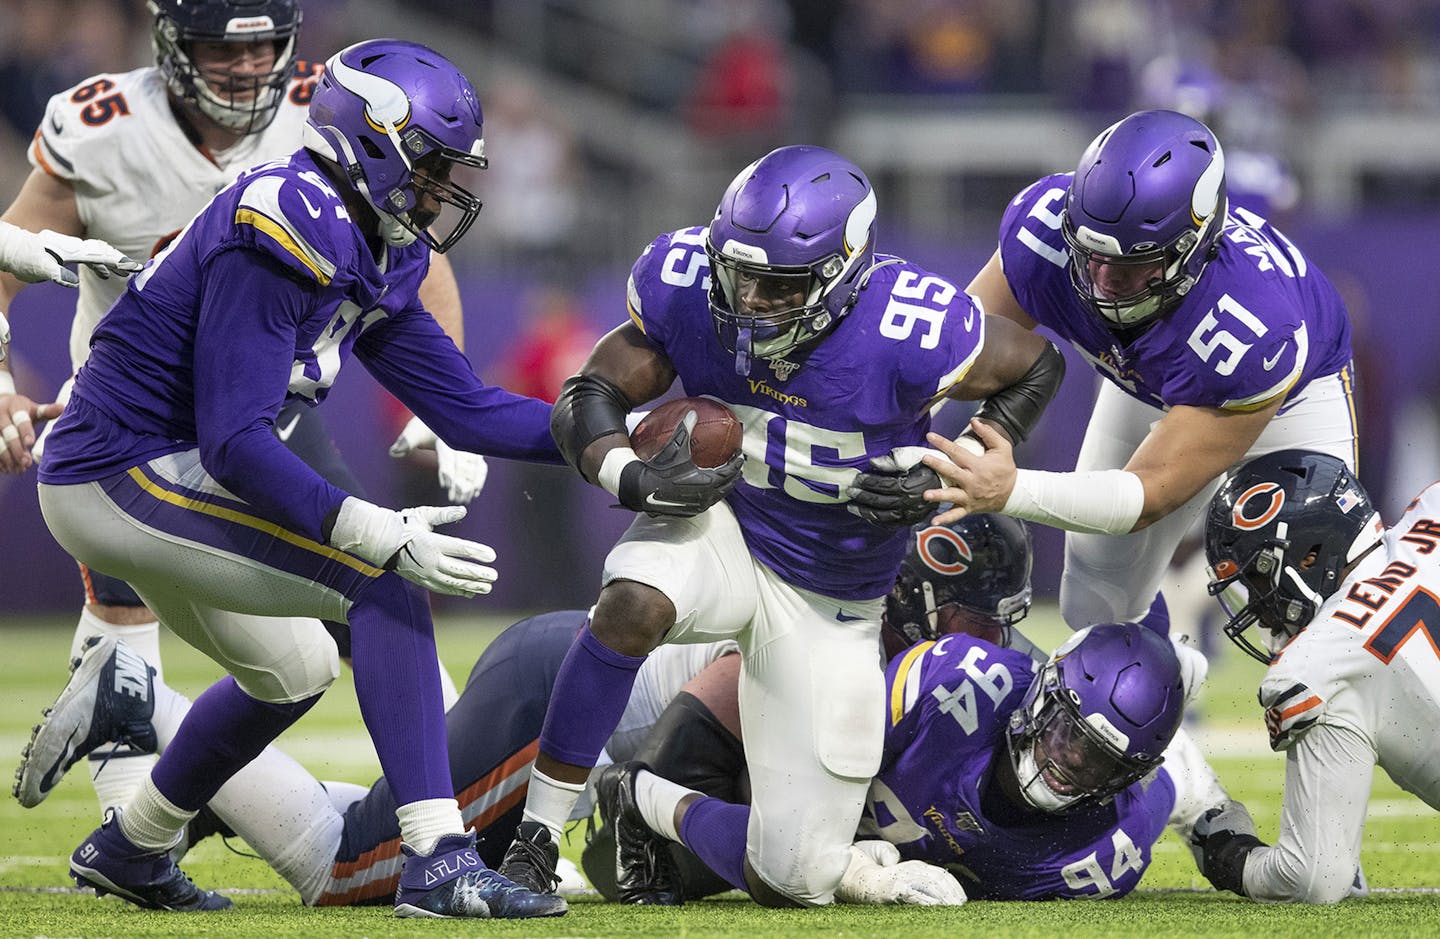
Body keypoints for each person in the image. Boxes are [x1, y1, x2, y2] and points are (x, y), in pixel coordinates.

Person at [24, 38, 567, 919]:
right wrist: (369, 529)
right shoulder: (286, 217)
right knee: (379, 583)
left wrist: (605, 443)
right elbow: (235, 440)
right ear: (375, 144)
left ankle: (135, 843)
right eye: (430, 165)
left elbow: (467, 408)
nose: (443, 190)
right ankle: (439, 857)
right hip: (114, 467)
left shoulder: (376, 241)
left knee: (296, 668)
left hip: (177, 461)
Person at [492, 143, 1068, 909]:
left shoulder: (909, 325)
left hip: (835, 598)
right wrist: (629, 474)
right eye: (741, 274)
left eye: (779, 284)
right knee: (634, 599)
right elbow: (589, 392)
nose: (752, 298)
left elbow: (1037, 362)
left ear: (846, 275)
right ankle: (533, 841)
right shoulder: (687, 280)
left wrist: (960, 460)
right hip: (730, 532)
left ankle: (643, 798)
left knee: (794, 878)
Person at [0, 0, 486, 814]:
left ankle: (468, 813)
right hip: (132, 427)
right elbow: (7, 260)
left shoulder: (335, 106)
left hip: (266, 416)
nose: (248, 67)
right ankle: (143, 785)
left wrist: (442, 403)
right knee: (334, 602)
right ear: (165, 40)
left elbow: (416, 254)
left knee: (370, 610)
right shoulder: (102, 125)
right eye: (217, 46)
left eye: (266, 46)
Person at [921, 108, 1357, 639]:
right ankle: (1168, 699)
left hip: (1288, 401)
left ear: (1194, 247)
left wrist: (1010, 489)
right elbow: (955, 354)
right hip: (1148, 376)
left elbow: (1147, 494)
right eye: (1090, 255)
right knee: (1095, 604)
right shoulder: (1046, 233)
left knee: (1314, 600)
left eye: (1131, 266)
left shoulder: (1253, 327)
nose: (1102, 281)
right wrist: (896, 440)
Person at [17, 612, 737, 906]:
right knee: (345, 871)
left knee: (382, 828)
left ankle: (209, 791)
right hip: (559, 703)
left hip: (561, 662)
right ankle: (143, 698)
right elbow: (709, 705)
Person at [595, 620, 1230, 904]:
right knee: (792, 873)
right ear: (1043, 691)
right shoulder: (957, 686)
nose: (1066, 766)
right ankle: (644, 792)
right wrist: (851, 872)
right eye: (1066, 734)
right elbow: (820, 736)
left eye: (1097, 763)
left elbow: (1183, 775)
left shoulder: (1101, 853)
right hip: (797, 763)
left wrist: (1229, 842)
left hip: (882, 829)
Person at [1191, 448, 1426, 904]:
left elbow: (1312, 879)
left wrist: (1228, 855)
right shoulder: (1430, 509)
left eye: (1257, 580)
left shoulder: (1312, 668)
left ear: (1308, 554)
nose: (1258, 606)